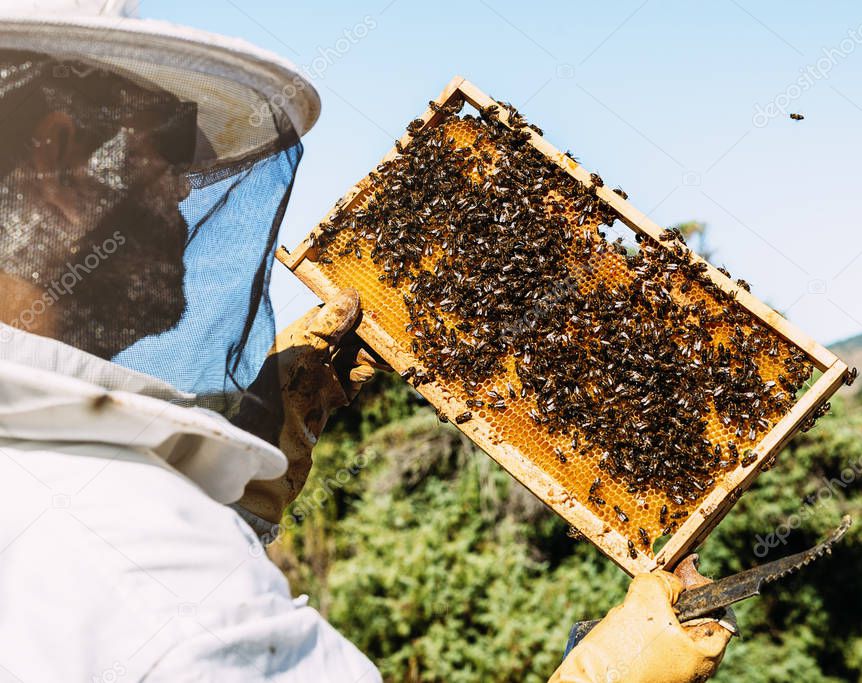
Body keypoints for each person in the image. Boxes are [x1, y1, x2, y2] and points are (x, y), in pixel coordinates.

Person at [0, 2, 733, 681]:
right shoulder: (148, 557)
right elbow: (150, 594)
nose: (186, 185)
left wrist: (252, 472)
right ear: (58, 153)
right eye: (164, 137)